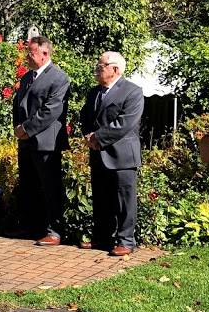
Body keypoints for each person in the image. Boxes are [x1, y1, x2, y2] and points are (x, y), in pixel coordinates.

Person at [80, 51, 144, 256]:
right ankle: (102, 238)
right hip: (98, 153)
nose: (97, 69)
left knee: (124, 200)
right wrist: (88, 136)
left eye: (101, 66)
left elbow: (125, 123)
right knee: (101, 198)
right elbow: (85, 116)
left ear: (114, 69)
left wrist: (98, 138)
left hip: (122, 155)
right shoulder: (94, 92)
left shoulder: (132, 92)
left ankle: (126, 241)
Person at [12, 36, 71, 246]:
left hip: (47, 142)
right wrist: (18, 128)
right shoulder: (27, 77)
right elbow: (17, 105)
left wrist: (26, 129)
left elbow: (51, 110)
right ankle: (32, 227)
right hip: (26, 141)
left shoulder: (59, 78)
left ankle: (53, 231)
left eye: (31, 52)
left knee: (50, 187)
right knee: (29, 185)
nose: (27, 56)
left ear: (45, 54)